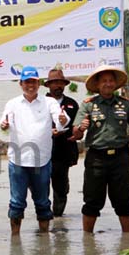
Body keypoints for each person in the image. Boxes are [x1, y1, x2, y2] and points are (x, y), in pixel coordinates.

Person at [72, 65, 129, 233]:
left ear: (115, 84)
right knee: (92, 201)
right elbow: (76, 135)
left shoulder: (124, 105)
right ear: (97, 85)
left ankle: (127, 239)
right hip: (96, 158)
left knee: (124, 201)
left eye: (111, 81)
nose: (108, 84)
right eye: (104, 81)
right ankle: (88, 241)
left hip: (120, 158)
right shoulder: (89, 105)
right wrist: (81, 127)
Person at [0, 66, 68, 235]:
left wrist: (62, 119)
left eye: (34, 82)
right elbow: (3, 125)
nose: (30, 85)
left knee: (43, 202)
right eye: (27, 82)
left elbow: (61, 123)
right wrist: (4, 125)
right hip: (18, 160)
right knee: (16, 202)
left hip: (41, 160)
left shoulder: (49, 102)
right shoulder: (12, 103)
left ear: (39, 83)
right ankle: (15, 239)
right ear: (21, 83)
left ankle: (44, 240)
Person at [44, 69, 79, 217]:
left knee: (60, 186)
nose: (58, 86)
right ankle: (44, 214)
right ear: (48, 85)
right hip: (43, 152)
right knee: (41, 185)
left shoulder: (72, 104)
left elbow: (76, 127)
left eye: (60, 83)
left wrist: (73, 133)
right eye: (54, 83)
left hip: (64, 151)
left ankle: (58, 217)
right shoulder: (40, 103)